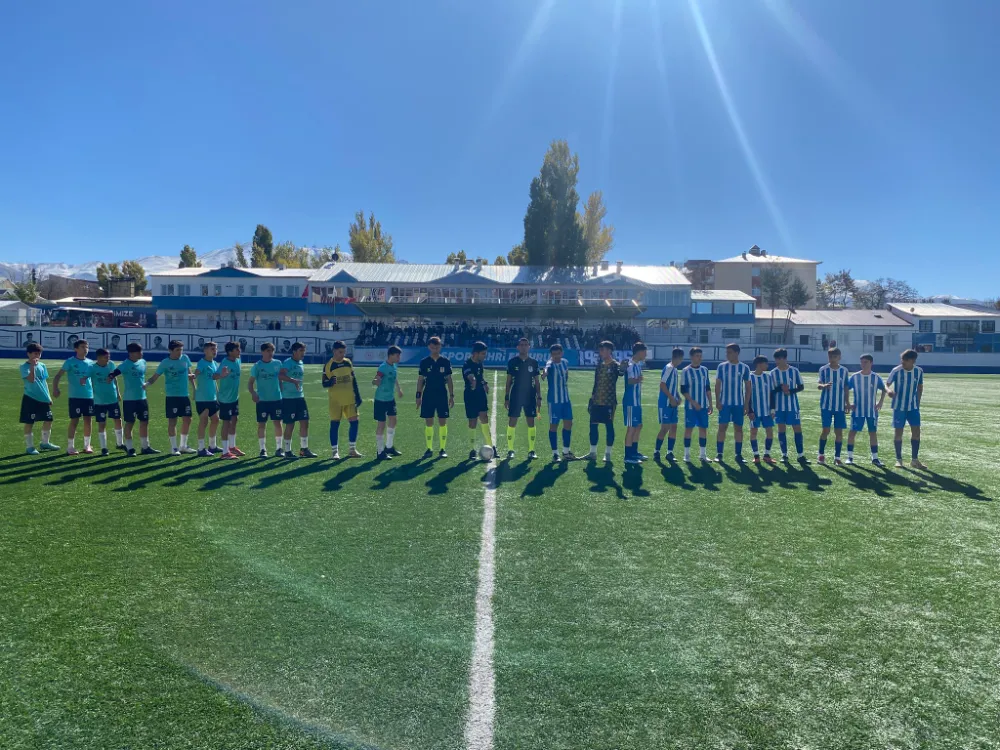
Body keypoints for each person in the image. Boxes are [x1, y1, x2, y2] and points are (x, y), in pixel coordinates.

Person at [145, 340, 196, 455]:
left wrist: (194, 389)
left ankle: (183, 446)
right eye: (177, 350)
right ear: (170, 350)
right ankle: (174, 448)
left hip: (184, 395)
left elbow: (189, 374)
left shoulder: (185, 359)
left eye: (181, 350)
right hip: (172, 396)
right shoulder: (165, 363)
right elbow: (155, 377)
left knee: (188, 419)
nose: (180, 352)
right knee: (172, 421)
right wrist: (146, 384)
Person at [52, 339, 95, 455]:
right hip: (75, 396)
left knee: (88, 420)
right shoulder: (70, 362)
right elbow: (57, 376)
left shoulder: (91, 363)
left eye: (87, 347)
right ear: (76, 349)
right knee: (74, 420)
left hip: (89, 396)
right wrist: (55, 388)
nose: (85, 349)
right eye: (82, 347)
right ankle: (70, 447)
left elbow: (94, 379)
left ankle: (87, 446)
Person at [322, 341, 363, 459]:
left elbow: (353, 379)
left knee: (354, 422)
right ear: (334, 351)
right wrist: (330, 382)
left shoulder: (347, 362)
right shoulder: (328, 365)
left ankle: (352, 449)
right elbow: (324, 383)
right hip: (336, 400)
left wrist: (358, 395)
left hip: (350, 398)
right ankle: (335, 452)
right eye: (340, 352)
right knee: (335, 424)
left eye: (344, 352)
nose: (342, 355)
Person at [886, 349, 926, 469]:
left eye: (905, 361)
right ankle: (899, 460)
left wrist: (917, 403)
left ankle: (914, 460)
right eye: (902, 360)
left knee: (916, 431)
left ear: (912, 361)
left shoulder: (919, 371)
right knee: (899, 432)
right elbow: (886, 384)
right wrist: (889, 391)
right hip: (899, 407)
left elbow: (920, 387)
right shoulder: (896, 371)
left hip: (913, 407)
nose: (902, 362)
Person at [117, 342, 158, 456]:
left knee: (144, 422)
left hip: (142, 397)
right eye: (139, 352)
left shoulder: (143, 362)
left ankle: (145, 447)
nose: (141, 353)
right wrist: (110, 377)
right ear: (131, 353)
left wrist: (146, 384)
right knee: (130, 422)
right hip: (130, 399)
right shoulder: (125, 364)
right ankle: (130, 448)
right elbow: (115, 373)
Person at [504, 337, 542, 460]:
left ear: (529, 347)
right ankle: (510, 450)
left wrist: (539, 396)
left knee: (531, 422)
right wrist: (506, 397)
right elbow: (508, 381)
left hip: (530, 395)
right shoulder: (512, 362)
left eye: (526, 344)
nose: (524, 346)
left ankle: (531, 450)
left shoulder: (534, 363)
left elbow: (537, 381)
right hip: (515, 394)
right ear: (518, 347)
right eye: (522, 345)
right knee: (512, 421)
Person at [416, 337, 454, 459]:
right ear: (429, 347)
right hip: (428, 394)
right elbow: (421, 379)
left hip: (442, 394)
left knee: (443, 421)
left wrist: (451, 395)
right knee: (429, 422)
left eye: (437, 347)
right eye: (433, 347)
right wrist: (418, 395)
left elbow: (449, 379)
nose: (435, 349)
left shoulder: (445, 361)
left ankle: (442, 449)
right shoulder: (424, 362)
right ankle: (429, 448)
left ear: (440, 347)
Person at [846, 353, 887, 467]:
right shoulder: (854, 377)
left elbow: (884, 389)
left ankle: (875, 458)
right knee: (852, 432)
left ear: (871, 363)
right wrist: (848, 403)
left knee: (872, 433)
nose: (863, 364)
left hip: (871, 411)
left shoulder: (875, 377)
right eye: (862, 362)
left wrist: (880, 402)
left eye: (866, 362)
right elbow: (846, 389)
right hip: (858, 410)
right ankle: (849, 457)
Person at [714, 343, 751, 463]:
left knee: (738, 428)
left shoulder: (744, 368)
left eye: (729, 352)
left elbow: (748, 387)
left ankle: (738, 454)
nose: (727, 354)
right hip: (725, 403)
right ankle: (719, 454)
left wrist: (746, 404)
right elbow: (718, 384)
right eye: (727, 352)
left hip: (738, 404)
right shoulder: (722, 367)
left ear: (736, 353)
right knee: (722, 427)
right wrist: (718, 400)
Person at [279, 342, 317, 458]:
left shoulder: (301, 363)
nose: (303, 353)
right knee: (290, 425)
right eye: (301, 351)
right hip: (289, 398)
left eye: (304, 351)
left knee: (305, 422)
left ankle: (304, 449)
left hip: (300, 397)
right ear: (294, 351)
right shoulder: (287, 363)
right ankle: (287, 450)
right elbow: (280, 375)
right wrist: (293, 381)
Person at [20, 343, 59, 454]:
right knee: (29, 422)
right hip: (30, 398)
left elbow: (44, 381)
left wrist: (48, 396)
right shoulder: (24, 367)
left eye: (39, 353)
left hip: (43, 398)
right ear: (28, 354)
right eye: (35, 353)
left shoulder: (42, 365)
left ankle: (45, 443)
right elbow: (31, 380)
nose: (37, 356)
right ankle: (30, 447)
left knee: (48, 419)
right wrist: (32, 366)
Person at [587, 341, 622, 462]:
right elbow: (595, 383)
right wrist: (591, 398)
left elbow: (621, 373)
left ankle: (607, 453)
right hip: (597, 401)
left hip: (609, 402)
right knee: (593, 427)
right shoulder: (599, 365)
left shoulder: (615, 365)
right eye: (600, 350)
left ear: (609, 351)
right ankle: (592, 452)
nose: (601, 352)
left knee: (609, 427)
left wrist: (623, 368)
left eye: (603, 350)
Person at [771, 348, 807, 464]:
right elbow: (771, 391)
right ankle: (784, 455)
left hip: (793, 406)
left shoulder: (794, 371)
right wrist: (780, 388)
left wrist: (790, 391)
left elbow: (801, 387)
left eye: (778, 359)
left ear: (784, 358)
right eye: (776, 359)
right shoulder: (773, 373)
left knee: (797, 429)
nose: (776, 361)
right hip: (779, 407)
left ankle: (801, 455)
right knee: (781, 429)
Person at [249, 343, 285, 457]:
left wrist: (283, 394)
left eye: (272, 351)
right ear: (262, 352)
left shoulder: (278, 364)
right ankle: (262, 449)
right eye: (268, 351)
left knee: (278, 423)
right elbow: (250, 383)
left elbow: (280, 380)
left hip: (276, 399)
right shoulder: (257, 366)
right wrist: (253, 393)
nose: (270, 353)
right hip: (262, 400)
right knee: (261, 424)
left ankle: (279, 448)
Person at [817, 346, 850, 465]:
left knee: (839, 432)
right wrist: (824, 386)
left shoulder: (844, 370)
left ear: (839, 357)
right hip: (826, 405)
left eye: (835, 356)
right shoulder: (823, 369)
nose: (832, 358)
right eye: (830, 356)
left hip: (840, 407)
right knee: (826, 430)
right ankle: (821, 455)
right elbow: (819, 384)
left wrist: (847, 403)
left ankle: (837, 457)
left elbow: (846, 387)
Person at [542, 343, 575, 462]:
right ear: (551, 355)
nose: (556, 356)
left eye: (558, 353)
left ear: (562, 353)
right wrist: (544, 373)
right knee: (554, 425)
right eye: (553, 354)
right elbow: (546, 367)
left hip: (566, 399)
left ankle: (566, 452)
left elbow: (566, 376)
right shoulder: (550, 363)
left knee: (568, 423)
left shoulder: (565, 362)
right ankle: (555, 453)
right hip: (554, 401)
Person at [89, 348, 125, 456]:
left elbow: (114, 378)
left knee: (118, 420)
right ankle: (104, 447)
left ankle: (120, 443)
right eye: (106, 357)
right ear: (99, 357)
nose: (108, 359)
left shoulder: (111, 365)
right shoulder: (92, 368)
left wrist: (118, 392)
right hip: (99, 400)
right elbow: (87, 381)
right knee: (102, 423)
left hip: (112, 398)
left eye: (109, 356)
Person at [681, 347, 713, 462]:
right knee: (689, 429)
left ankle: (703, 455)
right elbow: (683, 389)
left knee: (703, 429)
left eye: (700, 356)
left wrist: (710, 403)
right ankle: (687, 455)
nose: (699, 358)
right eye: (697, 356)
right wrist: (693, 402)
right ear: (691, 357)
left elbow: (707, 388)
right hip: (690, 407)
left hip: (703, 406)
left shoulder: (704, 370)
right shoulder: (686, 370)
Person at [373, 345, 404, 460]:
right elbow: (377, 378)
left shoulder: (394, 366)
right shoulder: (383, 367)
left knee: (393, 420)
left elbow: (394, 378)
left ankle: (389, 447)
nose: (399, 357)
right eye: (397, 355)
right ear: (391, 355)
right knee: (381, 425)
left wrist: (398, 388)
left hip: (390, 399)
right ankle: (380, 452)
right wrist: (375, 381)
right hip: (381, 400)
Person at [463, 342, 493, 460]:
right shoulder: (467, 364)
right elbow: (470, 375)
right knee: (472, 422)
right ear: (476, 353)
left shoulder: (480, 364)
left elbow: (480, 377)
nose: (485, 356)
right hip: (470, 395)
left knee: (484, 418)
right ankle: (472, 450)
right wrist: (473, 381)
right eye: (483, 353)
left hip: (480, 394)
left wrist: (484, 383)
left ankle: (491, 446)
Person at [194, 341, 224, 457]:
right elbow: (196, 373)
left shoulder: (215, 364)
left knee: (216, 420)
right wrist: (193, 376)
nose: (215, 351)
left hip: (213, 397)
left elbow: (214, 380)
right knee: (204, 421)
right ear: (205, 351)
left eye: (215, 349)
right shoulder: (202, 363)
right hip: (203, 397)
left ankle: (213, 445)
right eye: (212, 349)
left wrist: (218, 393)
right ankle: (201, 448)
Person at [654, 347, 684, 461]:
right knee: (665, 428)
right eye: (681, 359)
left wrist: (678, 396)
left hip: (673, 403)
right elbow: (662, 385)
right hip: (665, 403)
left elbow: (672, 387)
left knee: (674, 427)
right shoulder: (668, 368)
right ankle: (656, 451)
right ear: (678, 358)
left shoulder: (675, 370)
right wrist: (671, 398)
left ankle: (669, 452)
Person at [747, 355, 776, 464]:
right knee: (753, 432)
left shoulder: (768, 377)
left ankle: (767, 455)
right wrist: (749, 410)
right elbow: (747, 395)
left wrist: (773, 409)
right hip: (755, 411)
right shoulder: (749, 377)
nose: (767, 365)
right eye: (766, 363)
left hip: (767, 411)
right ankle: (756, 456)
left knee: (770, 432)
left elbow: (772, 394)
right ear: (759, 364)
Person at [217, 342, 243, 459]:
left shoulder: (238, 360)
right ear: (230, 352)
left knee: (234, 420)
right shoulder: (224, 363)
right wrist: (222, 375)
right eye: (237, 350)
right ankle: (225, 452)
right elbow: (214, 376)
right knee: (226, 424)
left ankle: (232, 447)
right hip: (225, 399)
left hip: (234, 398)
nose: (239, 351)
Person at [623, 342, 648, 465]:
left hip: (636, 401)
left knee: (639, 426)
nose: (646, 354)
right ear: (639, 352)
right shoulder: (631, 365)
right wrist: (638, 379)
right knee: (631, 427)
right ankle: (628, 455)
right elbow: (630, 381)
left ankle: (634, 451)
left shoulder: (637, 365)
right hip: (630, 401)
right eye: (645, 352)